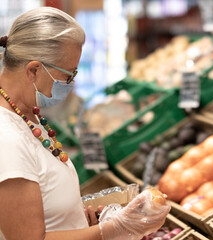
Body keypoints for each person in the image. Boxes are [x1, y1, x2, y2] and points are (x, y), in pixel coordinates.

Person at [0, 7, 170, 240]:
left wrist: (80, 224)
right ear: (34, 70)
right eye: (68, 75)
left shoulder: (27, 112)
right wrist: (113, 229)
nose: (71, 84)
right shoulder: (6, 139)